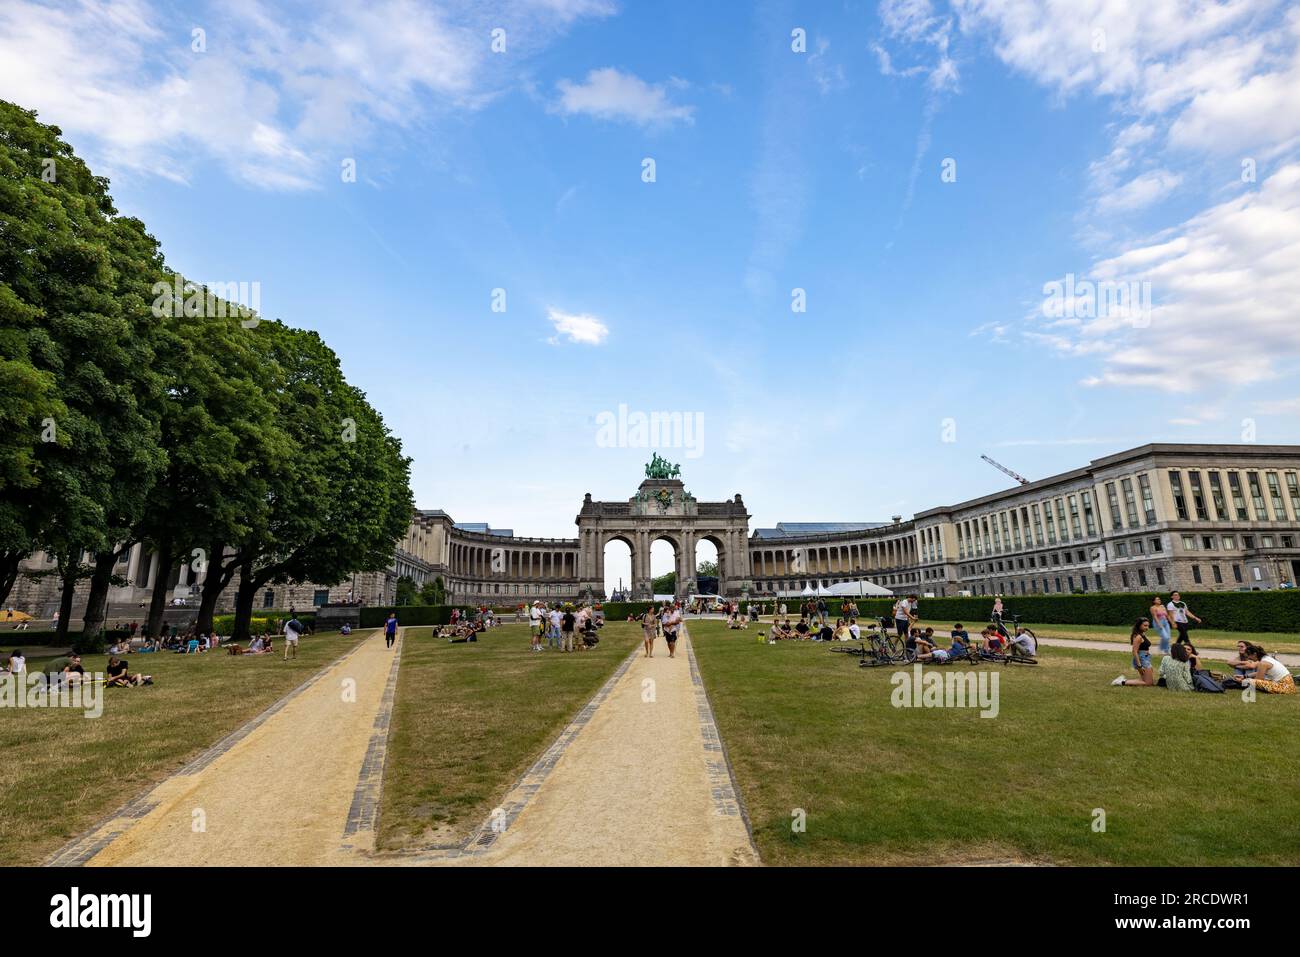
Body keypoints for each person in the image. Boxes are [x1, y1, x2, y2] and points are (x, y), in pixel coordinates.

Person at [1112, 619, 1155, 686]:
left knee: (1147, 681)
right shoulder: (1138, 637)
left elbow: (1143, 647)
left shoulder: (1142, 634)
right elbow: (1134, 651)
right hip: (1142, 659)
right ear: (1139, 625)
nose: (1147, 628)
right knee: (1148, 683)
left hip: (1146, 658)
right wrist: (1139, 666)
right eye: (1145, 625)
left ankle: (1122, 680)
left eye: (1148, 626)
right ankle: (1121, 682)